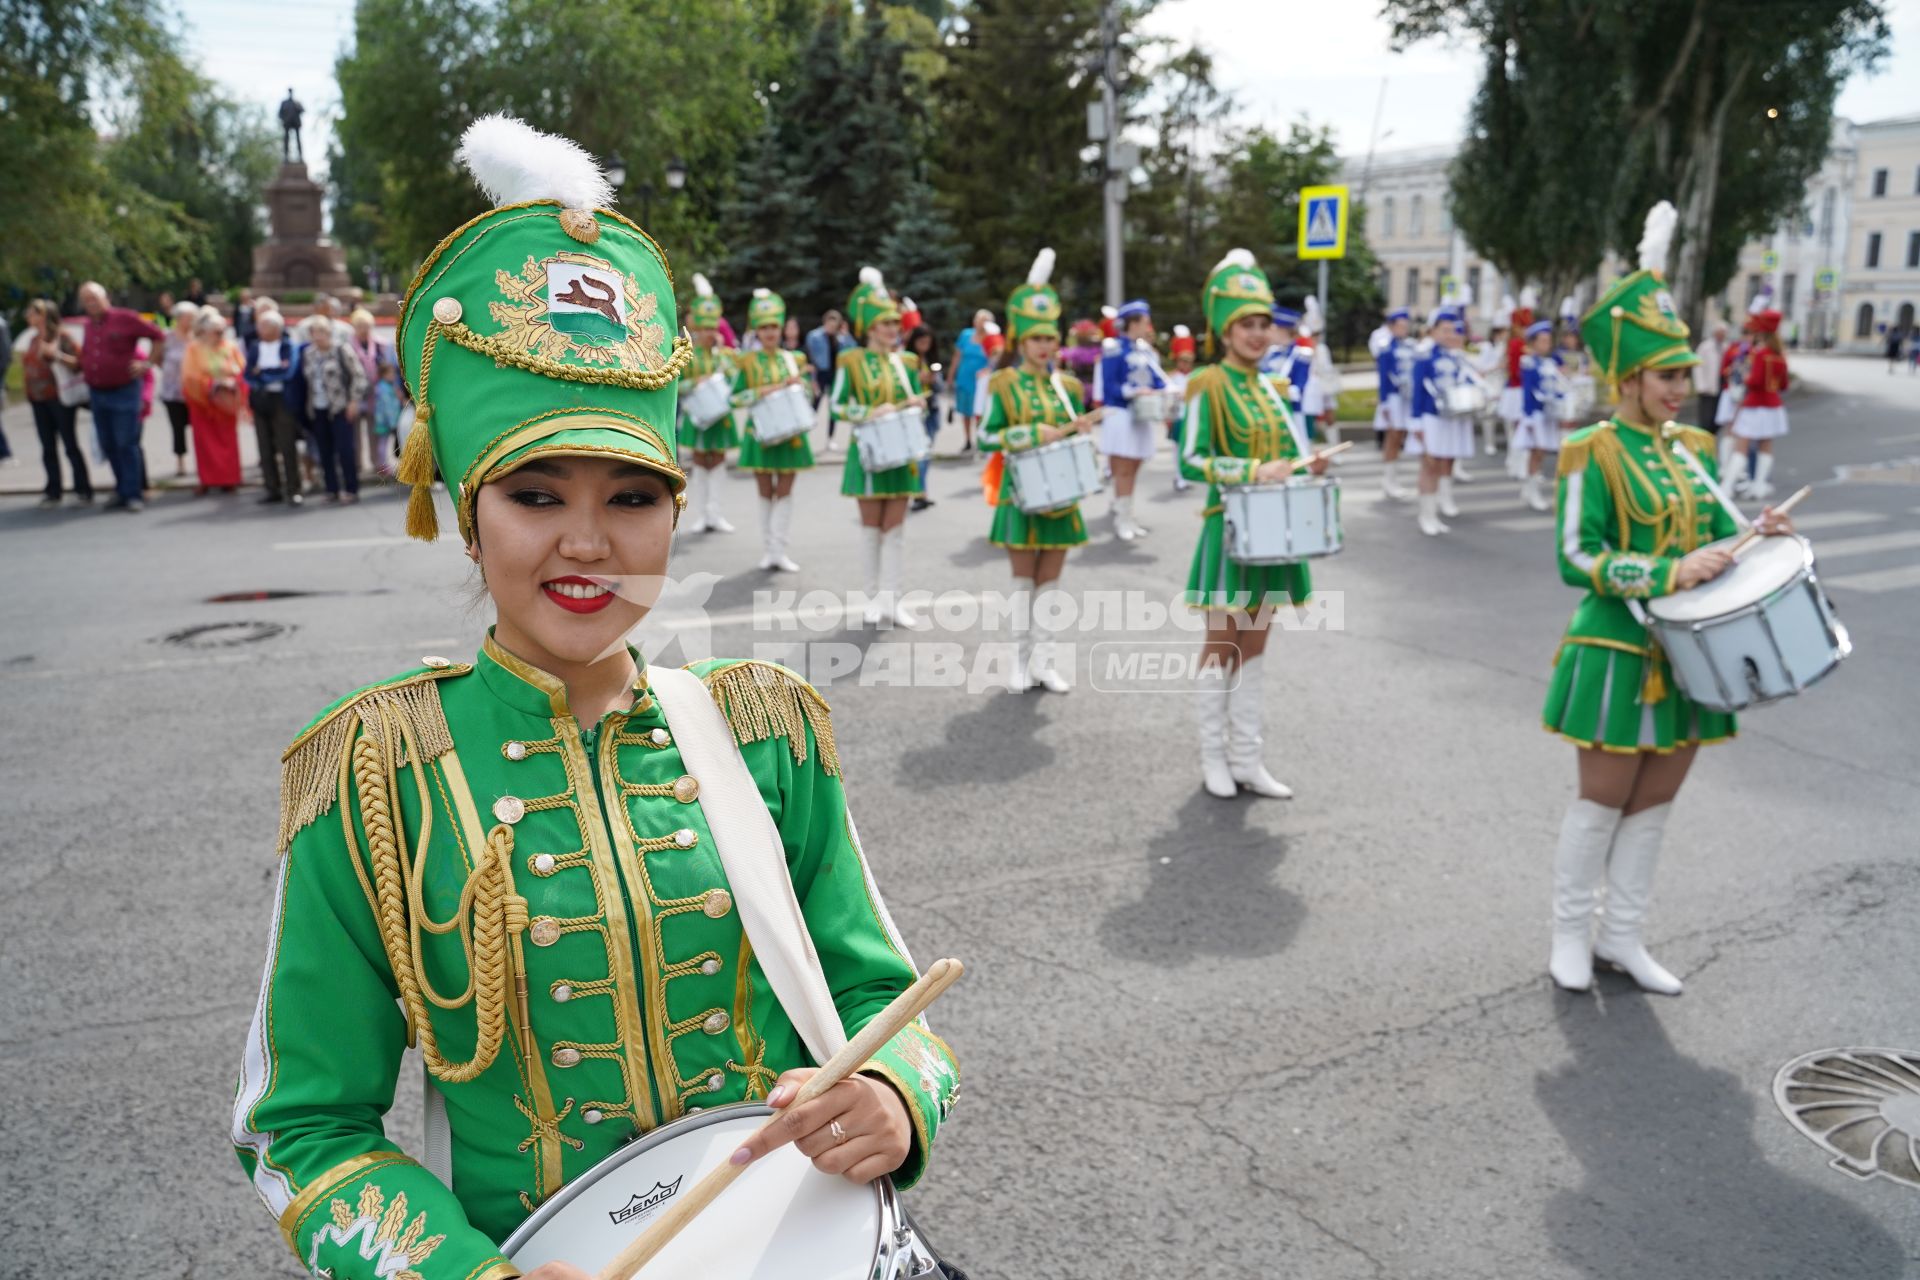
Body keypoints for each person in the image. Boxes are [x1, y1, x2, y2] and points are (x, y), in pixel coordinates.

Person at [234, 118, 958, 1280]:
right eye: (534, 492)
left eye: (632, 495)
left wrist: (892, 1090)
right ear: (466, 511)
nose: (587, 542)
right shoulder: (375, 766)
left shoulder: (765, 725)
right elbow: (301, 1128)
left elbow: (884, 991)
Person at [1544, 201, 1794, 998]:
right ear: (1627, 377)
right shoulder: (1590, 448)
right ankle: (1569, 933)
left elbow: (1718, 526)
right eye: (1666, 375)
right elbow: (1574, 556)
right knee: (1603, 801)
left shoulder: (1694, 448)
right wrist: (1661, 574)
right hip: (1615, 648)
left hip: (1692, 655)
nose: (1681, 389)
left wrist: (1763, 531)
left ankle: (1624, 937)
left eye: (1685, 374)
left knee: (1655, 804)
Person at [1181, 249, 1329, 801]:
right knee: (1223, 643)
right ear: (1225, 329)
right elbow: (1190, 460)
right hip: (1230, 532)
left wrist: (1312, 462)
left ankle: (1248, 758)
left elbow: (1293, 450)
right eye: (1247, 323)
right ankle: (1212, 757)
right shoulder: (1208, 383)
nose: (1258, 333)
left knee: (1257, 645)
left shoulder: (1274, 387)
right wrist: (1248, 470)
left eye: (1264, 323)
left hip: (1276, 534)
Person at [979, 248, 1094, 692]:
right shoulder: (1003, 383)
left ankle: (1045, 661)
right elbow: (988, 437)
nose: (1045, 347)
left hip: (1062, 494)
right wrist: (1029, 434)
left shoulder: (1067, 386)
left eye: (1051, 339)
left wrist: (1077, 431)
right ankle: (1017, 661)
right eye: (1036, 340)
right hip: (1022, 492)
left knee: (1052, 584)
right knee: (1023, 582)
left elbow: (1071, 440)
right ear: (1020, 341)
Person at [834, 267, 928, 627]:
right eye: (886, 324)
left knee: (896, 530)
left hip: (901, 452)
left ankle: (894, 601)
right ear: (871, 327)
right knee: (872, 528)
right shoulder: (852, 360)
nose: (894, 329)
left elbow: (910, 399)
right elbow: (840, 405)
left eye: (895, 323)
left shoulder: (905, 362)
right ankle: (872, 599)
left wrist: (916, 402)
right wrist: (871, 412)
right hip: (870, 453)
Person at [732, 287, 816, 572]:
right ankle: (769, 549)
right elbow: (735, 398)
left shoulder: (794, 359)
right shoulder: (748, 361)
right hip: (761, 432)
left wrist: (800, 386)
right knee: (765, 491)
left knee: (786, 491)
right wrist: (768, 390)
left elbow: (807, 395)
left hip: (791, 432)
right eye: (764, 327)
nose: (770, 332)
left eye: (774, 327)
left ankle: (780, 549)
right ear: (757, 330)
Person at [76, 281, 165, 512]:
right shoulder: (88, 325)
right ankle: (121, 489)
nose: (91, 303)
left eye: (95, 298)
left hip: (124, 390)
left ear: (106, 297)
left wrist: (147, 364)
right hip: (98, 392)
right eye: (86, 300)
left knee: (126, 442)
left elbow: (158, 336)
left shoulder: (125, 318)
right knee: (108, 443)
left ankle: (133, 493)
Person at [1093, 297, 1168, 542]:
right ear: (1132, 323)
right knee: (1123, 469)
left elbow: (1157, 380)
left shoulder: (1145, 350)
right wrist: (1134, 391)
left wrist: (1165, 390)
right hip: (1122, 414)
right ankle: (1122, 518)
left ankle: (1126, 510)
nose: (1148, 326)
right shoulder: (1113, 348)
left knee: (1134, 468)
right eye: (1145, 321)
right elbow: (1109, 386)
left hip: (1142, 415)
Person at [1407, 307, 1485, 536]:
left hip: (1453, 418)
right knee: (1429, 466)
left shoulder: (1458, 357)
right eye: (1445, 330)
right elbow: (1418, 392)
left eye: (1453, 330)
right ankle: (1426, 515)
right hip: (1431, 418)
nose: (1450, 335)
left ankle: (1439, 508)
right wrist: (1416, 423)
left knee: (1445, 462)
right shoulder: (1424, 355)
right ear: (1432, 331)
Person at [677, 273, 739, 535]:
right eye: (704, 329)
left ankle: (717, 513)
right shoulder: (686, 354)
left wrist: (722, 354)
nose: (709, 333)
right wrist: (696, 382)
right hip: (699, 414)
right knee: (701, 461)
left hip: (721, 415)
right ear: (696, 329)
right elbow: (677, 387)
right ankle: (703, 514)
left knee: (720, 460)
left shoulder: (724, 354)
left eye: (713, 328)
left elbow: (736, 380)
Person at [19, 299, 92, 507]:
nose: (28, 317)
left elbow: (79, 363)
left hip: (59, 398)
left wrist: (57, 355)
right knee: (47, 446)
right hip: (38, 400)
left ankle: (82, 488)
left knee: (70, 444)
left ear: (43, 315)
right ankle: (53, 489)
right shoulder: (32, 339)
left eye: (32, 313)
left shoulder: (62, 336)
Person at [182, 305, 246, 493]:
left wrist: (233, 382)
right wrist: (212, 385)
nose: (220, 335)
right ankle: (207, 479)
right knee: (204, 444)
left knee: (228, 443)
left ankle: (229, 479)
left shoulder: (230, 347)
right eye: (216, 332)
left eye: (222, 332)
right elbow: (189, 377)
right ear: (205, 331)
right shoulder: (194, 349)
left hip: (226, 403)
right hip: (204, 404)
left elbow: (242, 370)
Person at [246, 310, 306, 506]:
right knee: (264, 445)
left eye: (264, 326)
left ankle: (293, 489)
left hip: (281, 400)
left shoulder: (288, 346)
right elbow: (248, 373)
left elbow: (287, 372)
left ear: (276, 329)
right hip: (260, 399)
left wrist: (262, 373)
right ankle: (272, 488)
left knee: (287, 445)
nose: (259, 330)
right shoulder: (255, 346)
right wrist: (269, 372)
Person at [1728, 309, 1789, 499]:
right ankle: (1759, 485)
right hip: (1773, 406)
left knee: (1741, 445)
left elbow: (1755, 381)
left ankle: (1727, 486)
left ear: (1761, 333)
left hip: (1755, 405)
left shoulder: (1761, 354)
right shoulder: (1780, 356)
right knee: (1765, 446)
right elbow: (1784, 385)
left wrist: (1746, 377)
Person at [1514, 319, 1563, 511]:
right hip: (1535, 415)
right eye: (1542, 340)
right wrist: (1528, 418)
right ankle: (1531, 491)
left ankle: (1529, 489)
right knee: (1536, 453)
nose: (1546, 344)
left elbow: (1557, 386)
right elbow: (1528, 392)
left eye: (1548, 340)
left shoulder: (1549, 362)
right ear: (1533, 343)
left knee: (1540, 453)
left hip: (1548, 414)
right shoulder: (1529, 362)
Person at [1374, 307, 1414, 500]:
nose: (1404, 329)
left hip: (1406, 398)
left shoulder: (1409, 346)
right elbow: (1383, 378)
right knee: (1393, 437)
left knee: (1400, 437)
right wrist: (1385, 404)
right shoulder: (1386, 348)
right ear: (1391, 327)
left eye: (1406, 326)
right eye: (1400, 326)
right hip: (1393, 398)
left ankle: (1392, 478)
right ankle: (1388, 480)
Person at [158, 300, 200, 479]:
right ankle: (180, 461)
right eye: (186, 317)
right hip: (172, 391)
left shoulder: (198, 338)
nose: (189, 321)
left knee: (199, 428)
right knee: (177, 428)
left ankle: (202, 461)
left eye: (192, 318)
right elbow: (158, 357)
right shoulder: (167, 337)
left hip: (195, 391)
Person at [905, 324, 943, 510]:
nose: (924, 346)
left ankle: (921, 491)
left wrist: (933, 379)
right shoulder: (907, 360)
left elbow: (939, 383)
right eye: (921, 342)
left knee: (926, 454)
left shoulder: (932, 359)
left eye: (928, 342)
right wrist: (918, 380)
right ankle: (918, 492)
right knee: (919, 455)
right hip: (915, 413)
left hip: (931, 409)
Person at [349, 309, 386, 476]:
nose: (364, 329)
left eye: (366, 326)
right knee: (354, 432)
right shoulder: (347, 346)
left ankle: (377, 463)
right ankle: (356, 464)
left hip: (375, 395)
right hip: (355, 395)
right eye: (360, 326)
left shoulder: (380, 344)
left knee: (375, 431)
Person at [950, 309, 992, 452]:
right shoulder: (966, 335)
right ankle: (968, 440)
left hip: (981, 382)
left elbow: (995, 360)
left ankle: (980, 438)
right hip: (964, 378)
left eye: (984, 320)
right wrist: (951, 376)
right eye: (979, 319)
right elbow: (957, 356)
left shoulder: (991, 339)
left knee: (979, 412)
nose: (981, 323)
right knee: (966, 412)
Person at [1164, 325, 1197, 492]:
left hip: (1190, 416)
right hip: (1178, 416)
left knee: (1189, 447)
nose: (1185, 364)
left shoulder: (1195, 378)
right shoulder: (1172, 378)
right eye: (1182, 361)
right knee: (1177, 449)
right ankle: (1179, 477)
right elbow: (1168, 398)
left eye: (1188, 361)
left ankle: (1185, 476)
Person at [1692, 318, 1728, 435]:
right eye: (1720, 333)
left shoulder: (1726, 348)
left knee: (1717, 418)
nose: (1722, 335)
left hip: (1721, 386)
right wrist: (1700, 385)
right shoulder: (1705, 347)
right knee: (1706, 418)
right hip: (1707, 387)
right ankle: (1703, 437)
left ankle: (1711, 436)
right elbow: (1697, 367)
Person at [371, 357, 404, 475]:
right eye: (391, 373)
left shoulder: (387, 386)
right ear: (384, 374)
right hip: (386, 421)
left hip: (385, 420)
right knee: (384, 444)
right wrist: (392, 422)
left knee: (385, 443)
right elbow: (388, 407)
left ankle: (384, 464)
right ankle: (383, 465)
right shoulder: (384, 388)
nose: (394, 376)